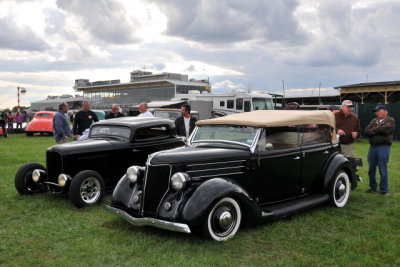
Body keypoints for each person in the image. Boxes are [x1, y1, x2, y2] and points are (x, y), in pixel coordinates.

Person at [364, 105, 395, 195]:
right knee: (371, 169)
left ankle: (384, 190)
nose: (377, 113)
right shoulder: (374, 120)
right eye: (376, 111)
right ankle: (372, 188)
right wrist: (376, 130)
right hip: (372, 147)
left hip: (383, 147)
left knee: (383, 169)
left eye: (378, 111)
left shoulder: (390, 120)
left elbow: (385, 130)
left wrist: (373, 130)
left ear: (385, 111)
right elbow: (366, 131)